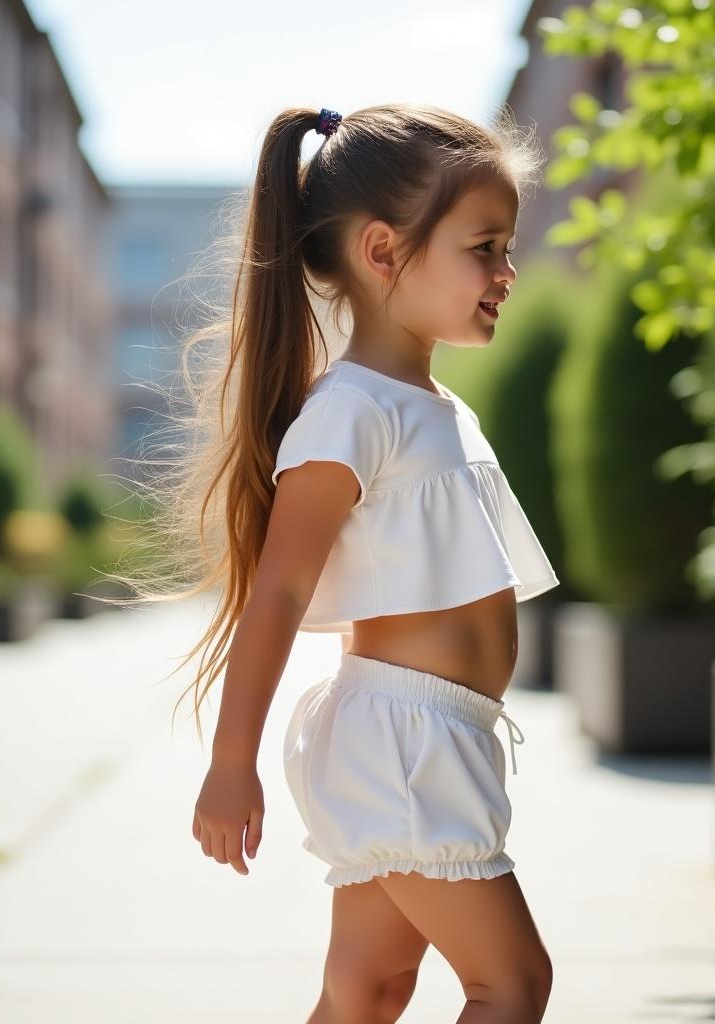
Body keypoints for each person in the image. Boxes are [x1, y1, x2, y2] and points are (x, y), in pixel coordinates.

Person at [186, 103, 560, 1023]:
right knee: (512, 985)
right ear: (385, 253)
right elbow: (276, 591)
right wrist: (232, 760)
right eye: (486, 247)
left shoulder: (435, 406)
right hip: (403, 741)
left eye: (508, 248)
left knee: (367, 991)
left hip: (437, 737)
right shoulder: (353, 412)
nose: (507, 272)